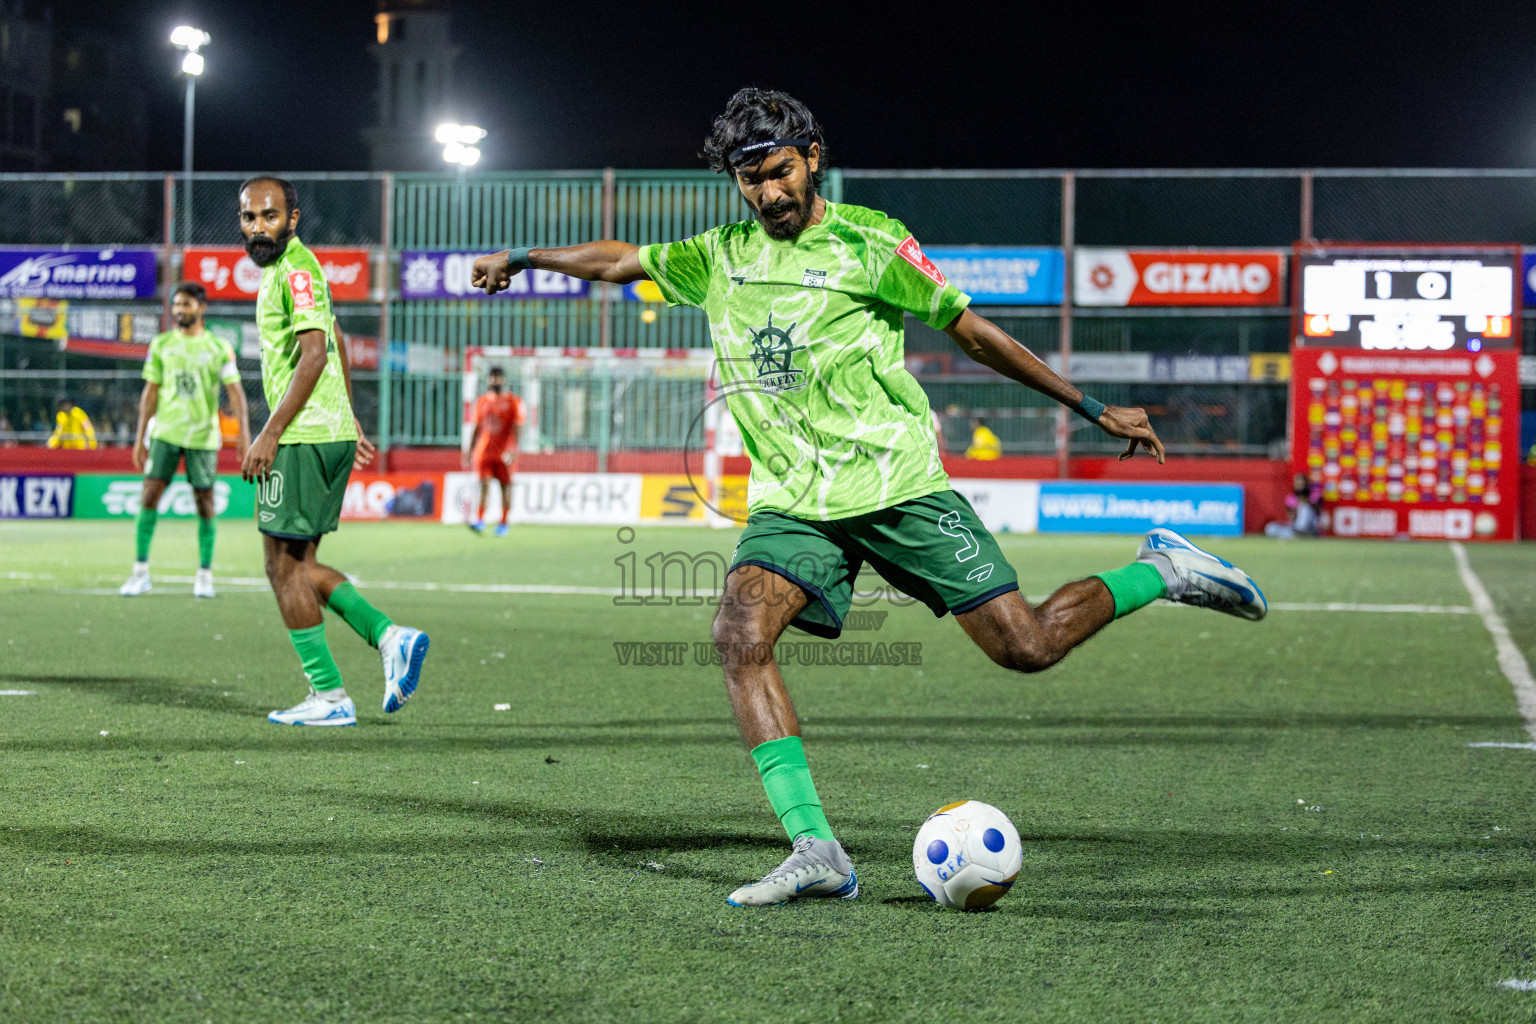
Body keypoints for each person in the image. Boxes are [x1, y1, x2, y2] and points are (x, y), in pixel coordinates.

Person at [471, 88, 1267, 907]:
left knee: (1025, 645)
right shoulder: (720, 255)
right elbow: (620, 261)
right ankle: (817, 849)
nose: (768, 193)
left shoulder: (872, 241)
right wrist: (528, 260)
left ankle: (1161, 570)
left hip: (896, 484)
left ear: (813, 158)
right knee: (739, 634)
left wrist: (1094, 408)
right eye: (750, 181)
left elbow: (973, 333)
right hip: (792, 500)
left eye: (779, 172)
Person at [237, 175, 430, 727]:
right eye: (249, 217)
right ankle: (390, 637)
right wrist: (348, 416)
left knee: (282, 568)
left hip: (302, 437)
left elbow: (316, 354)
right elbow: (338, 337)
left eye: (270, 216)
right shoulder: (291, 269)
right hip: (324, 428)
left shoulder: (294, 269)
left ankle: (330, 696)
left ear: (292, 219)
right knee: (299, 564)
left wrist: (269, 433)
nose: (258, 227)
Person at [119, 282, 251, 599]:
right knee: (149, 495)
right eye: (177, 304)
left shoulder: (219, 347)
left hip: (203, 437)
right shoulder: (161, 344)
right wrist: (140, 437)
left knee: (204, 502)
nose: (180, 310)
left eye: (187, 304)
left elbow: (236, 393)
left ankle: (204, 575)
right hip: (165, 433)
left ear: (201, 308)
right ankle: (140, 572)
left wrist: (244, 435)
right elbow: (150, 393)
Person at [463, 366, 525, 536]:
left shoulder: (513, 401)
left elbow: (518, 427)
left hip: (505, 451)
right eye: (492, 377)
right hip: (484, 451)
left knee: (505, 487)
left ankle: (504, 523)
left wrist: (513, 449)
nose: (494, 381)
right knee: (484, 484)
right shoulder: (482, 401)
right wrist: (469, 451)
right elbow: (476, 427)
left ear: (503, 380)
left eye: (497, 377)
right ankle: (481, 520)